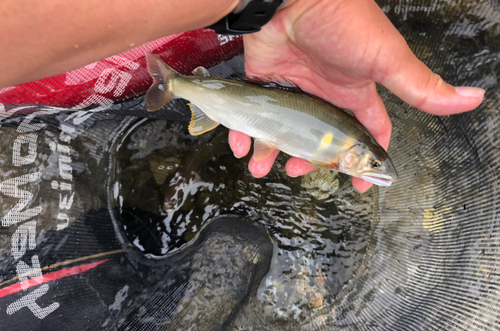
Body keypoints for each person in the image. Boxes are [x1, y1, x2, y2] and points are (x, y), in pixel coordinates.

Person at [0, 0, 484, 192]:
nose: (377, 172)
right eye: (375, 164)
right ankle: (180, 87)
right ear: (358, 155)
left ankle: (183, 89)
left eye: (374, 167)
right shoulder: (347, 148)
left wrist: (282, 4)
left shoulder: (346, 148)